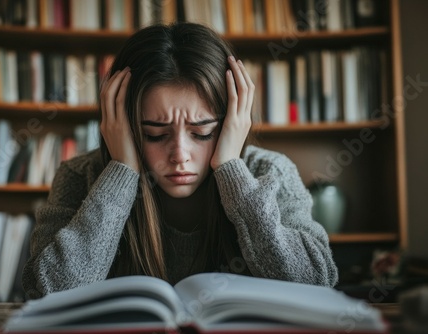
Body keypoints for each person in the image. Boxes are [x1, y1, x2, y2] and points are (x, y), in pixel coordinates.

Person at [22, 22, 338, 300]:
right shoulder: (80, 176)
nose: (180, 155)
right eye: (155, 134)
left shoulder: (271, 171)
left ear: (232, 123)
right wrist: (121, 173)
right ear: (124, 126)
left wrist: (231, 170)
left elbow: (316, 281)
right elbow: (48, 291)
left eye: (202, 132)